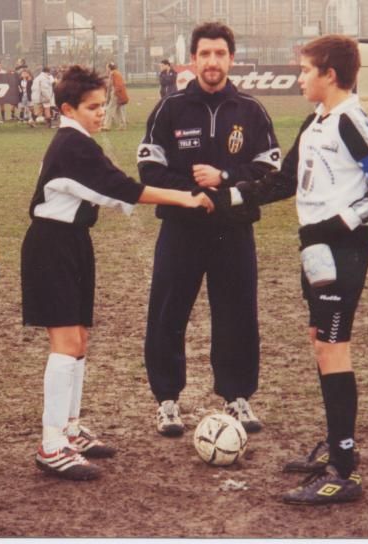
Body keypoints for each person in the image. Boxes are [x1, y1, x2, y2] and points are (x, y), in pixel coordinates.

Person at [216, 34, 368, 505]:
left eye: (304, 70)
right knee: (321, 342)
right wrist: (229, 196)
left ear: (329, 74)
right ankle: (336, 448)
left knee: (334, 348)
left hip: (343, 248)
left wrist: (339, 224)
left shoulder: (352, 122)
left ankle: (344, 471)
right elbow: (284, 180)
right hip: (315, 247)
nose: (299, 78)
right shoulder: (317, 120)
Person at [21, 65, 214, 481]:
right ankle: (51, 444)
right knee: (65, 343)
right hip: (51, 246)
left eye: (102, 105)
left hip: (73, 242)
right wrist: (187, 197)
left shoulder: (80, 141)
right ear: (68, 109)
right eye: (92, 107)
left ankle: (70, 430)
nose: (100, 113)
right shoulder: (72, 144)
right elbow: (126, 189)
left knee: (79, 340)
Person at [136, 22, 282, 438]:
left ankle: (237, 395)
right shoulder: (170, 109)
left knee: (237, 314)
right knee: (168, 313)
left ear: (231, 59)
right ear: (193, 59)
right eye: (204, 54)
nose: (212, 62)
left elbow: (270, 169)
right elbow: (149, 168)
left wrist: (224, 177)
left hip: (233, 231)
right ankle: (167, 400)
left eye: (220, 54)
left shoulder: (250, 110)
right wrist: (193, 193)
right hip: (180, 229)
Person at [102, 63, 128, 130]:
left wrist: (114, 93)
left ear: (109, 68)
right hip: (119, 93)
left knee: (109, 109)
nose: (106, 69)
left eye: (107, 67)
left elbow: (115, 85)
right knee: (118, 110)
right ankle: (122, 125)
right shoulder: (117, 73)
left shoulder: (113, 73)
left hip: (116, 94)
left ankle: (106, 126)